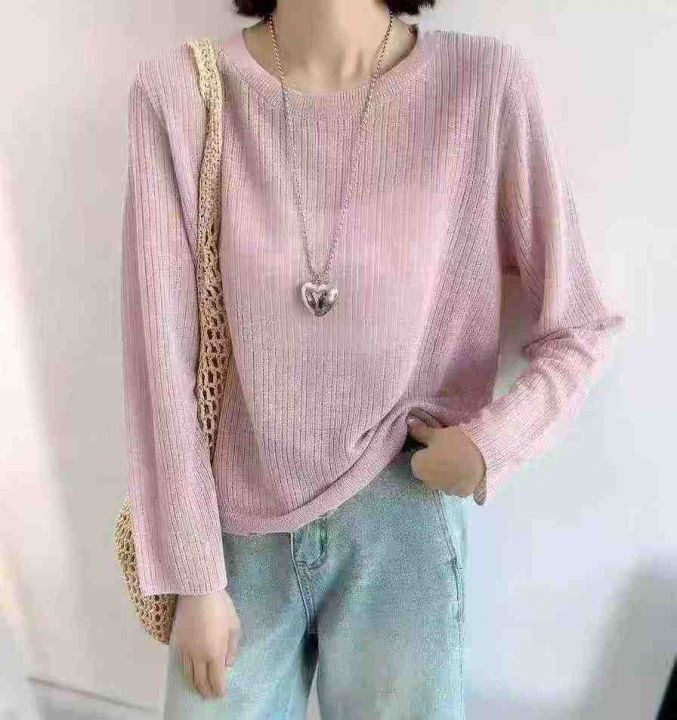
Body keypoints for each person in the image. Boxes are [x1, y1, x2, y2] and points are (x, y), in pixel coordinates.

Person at [120, 0, 625, 717]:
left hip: (405, 515)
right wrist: (195, 576)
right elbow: (160, 363)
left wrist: (492, 445)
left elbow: (580, 325)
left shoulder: (482, 87)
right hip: (231, 537)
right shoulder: (181, 95)